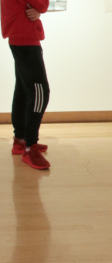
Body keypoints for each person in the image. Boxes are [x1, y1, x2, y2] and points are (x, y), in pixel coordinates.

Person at [1, 0, 51, 170]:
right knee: (40, 92)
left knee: (23, 89)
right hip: (25, 34)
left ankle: (21, 140)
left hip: (20, 33)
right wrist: (39, 8)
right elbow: (42, 4)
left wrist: (37, 9)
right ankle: (30, 147)